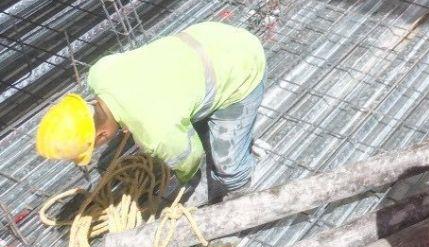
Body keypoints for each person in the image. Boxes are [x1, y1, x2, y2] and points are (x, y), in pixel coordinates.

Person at [35, 22, 266, 205]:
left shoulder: (156, 134)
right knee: (195, 128)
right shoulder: (98, 73)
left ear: (103, 136)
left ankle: (240, 202)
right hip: (208, 36)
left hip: (242, 67)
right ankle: (234, 139)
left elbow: (191, 159)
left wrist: (190, 182)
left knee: (228, 167)